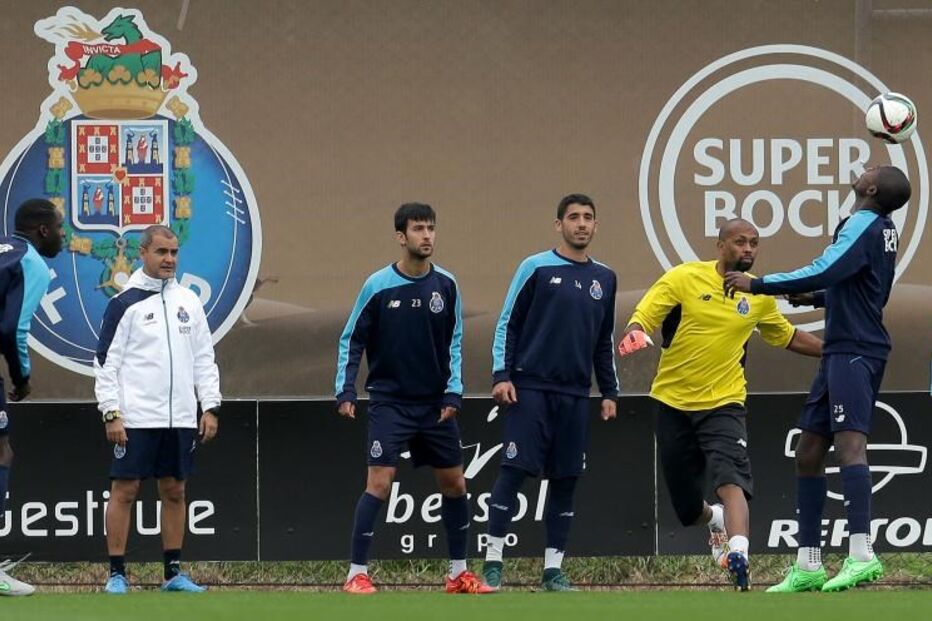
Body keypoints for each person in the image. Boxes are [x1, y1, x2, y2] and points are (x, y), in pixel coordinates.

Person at [724, 166, 911, 592]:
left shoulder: (862, 223)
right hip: (841, 348)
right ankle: (808, 564)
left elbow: (827, 268)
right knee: (808, 453)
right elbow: (864, 287)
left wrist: (760, 284)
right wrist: (816, 298)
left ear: (871, 188)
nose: (863, 170)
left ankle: (861, 554)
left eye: (870, 170)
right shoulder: (882, 228)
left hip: (854, 348)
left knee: (849, 448)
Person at [619, 218, 822, 591]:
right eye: (740, 242)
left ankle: (739, 553)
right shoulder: (684, 278)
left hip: (725, 402)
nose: (748, 249)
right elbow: (646, 314)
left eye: (754, 243)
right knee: (686, 507)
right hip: (672, 402)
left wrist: (836, 351)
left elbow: (787, 336)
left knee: (732, 478)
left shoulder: (758, 296)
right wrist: (635, 331)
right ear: (721, 245)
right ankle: (714, 520)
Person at [335, 203, 491, 595]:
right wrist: (346, 388)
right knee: (380, 483)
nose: (427, 236)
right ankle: (356, 573)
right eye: (419, 229)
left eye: (431, 228)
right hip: (390, 403)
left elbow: (454, 342)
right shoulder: (378, 286)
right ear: (401, 237)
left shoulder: (446, 285)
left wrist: (453, 390)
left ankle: (458, 574)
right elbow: (352, 339)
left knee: (455, 484)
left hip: (435, 404)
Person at [481, 193, 618, 592]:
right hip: (530, 389)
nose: (581, 224)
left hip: (575, 395)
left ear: (595, 225)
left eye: (588, 217)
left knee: (566, 480)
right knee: (513, 472)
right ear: (558, 224)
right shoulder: (536, 267)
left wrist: (608, 390)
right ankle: (492, 565)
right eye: (573, 217)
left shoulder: (605, 278)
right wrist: (501, 375)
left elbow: (602, 342)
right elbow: (508, 322)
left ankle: (553, 571)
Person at [94, 225, 220, 594]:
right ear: (143, 253)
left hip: (180, 416)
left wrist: (209, 406)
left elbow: (204, 359)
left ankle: (172, 574)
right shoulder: (124, 303)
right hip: (135, 417)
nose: (169, 260)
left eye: (174, 253)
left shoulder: (190, 302)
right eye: (161, 252)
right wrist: (111, 412)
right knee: (125, 490)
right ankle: (117, 573)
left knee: (176, 491)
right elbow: (105, 362)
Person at [0, 199, 65, 596]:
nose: (63, 235)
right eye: (59, 227)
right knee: (1, 452)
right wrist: (22, 378)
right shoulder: (32, 263)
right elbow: (11, 329)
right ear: (42, 230)